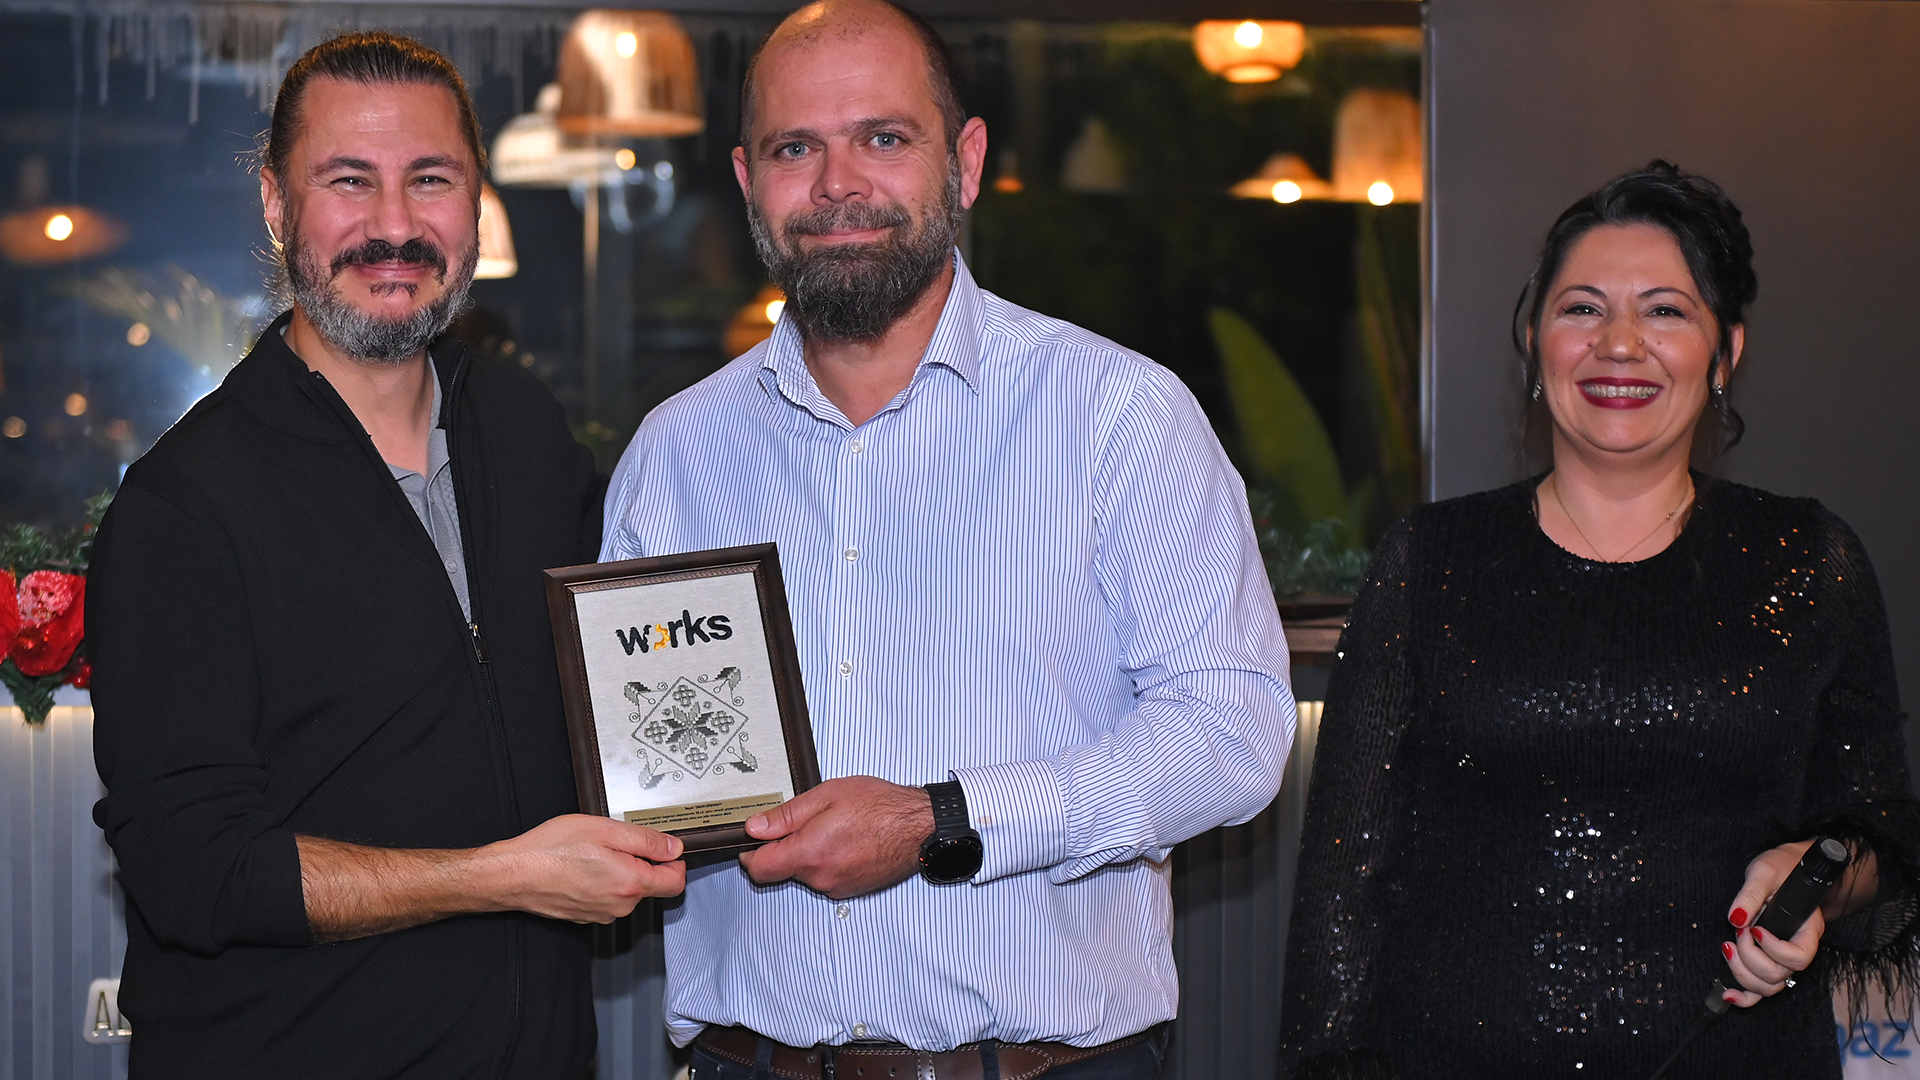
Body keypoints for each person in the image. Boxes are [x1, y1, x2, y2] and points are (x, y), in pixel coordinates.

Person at [599, 2, 1294, 1077]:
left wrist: (945, 819)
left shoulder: (1119, 416)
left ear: (963, 162)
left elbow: (1233, 734)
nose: (837, 185)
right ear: (747, 181)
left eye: (883, 138)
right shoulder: (675, 454)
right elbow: (663, 774)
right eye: (795, 148)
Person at [88, 32, 686, 1079]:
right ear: (276, 206)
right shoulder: (182, 506)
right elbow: (196, 872)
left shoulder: (526, 429)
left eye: (431, 180)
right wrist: (503, 876)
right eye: (349, 181)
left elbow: (634, 667)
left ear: (476, 203)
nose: (396, 225)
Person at [1279, 161, 1919, 1079]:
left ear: (1726, 351)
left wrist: (1812, 876)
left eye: (1666, 311)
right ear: (1534, 340)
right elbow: (1343, 887)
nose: (1620, 344)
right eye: (1582, 308)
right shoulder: (1432, 558)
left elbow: (1883, 841)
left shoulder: (1807, 558)